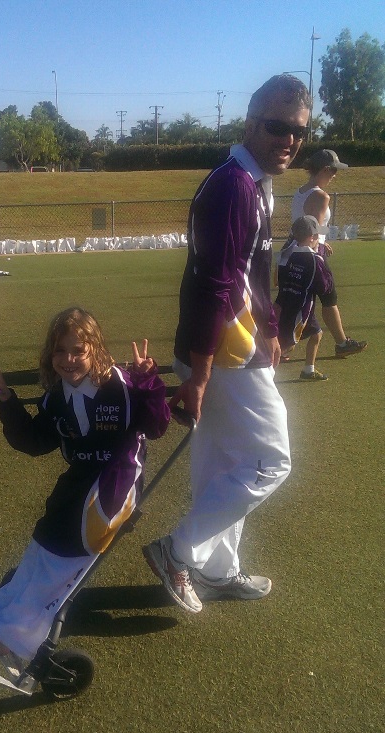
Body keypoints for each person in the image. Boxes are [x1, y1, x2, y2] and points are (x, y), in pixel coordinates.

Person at [142, 74, 308, 613]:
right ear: (250, 124)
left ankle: (219, 569)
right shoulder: (234, 187)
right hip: (222, 354)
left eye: (298, 131)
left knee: (221, 466)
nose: (289, 139)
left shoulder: (250, 183)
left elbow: (250, 272)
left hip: (230, 344)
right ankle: (180, 550)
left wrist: (271, 325)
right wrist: (200, 370)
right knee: (271, 461)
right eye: (278, 127)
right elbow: (215, 281)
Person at [0, 307, 171, 665]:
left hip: (116, 482)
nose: (68, 360)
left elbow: (157, 426)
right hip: (80, 479)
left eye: (78, 351)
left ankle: (11, 637)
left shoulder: (120, 384)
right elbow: (36, 442)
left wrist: (149, 382)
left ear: (95, 350)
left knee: (65, 554)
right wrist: (9, 406)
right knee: (43, 541)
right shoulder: (56, 397)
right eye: (59, 351)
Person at [290, 148, 367, 359]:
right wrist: (322, 240)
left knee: (297, 298)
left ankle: (285, 344)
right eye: (333, 171)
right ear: (324, 169)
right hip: (313, 253)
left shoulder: (301, 191)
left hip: (297, 249)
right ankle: (342, 343)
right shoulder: (320, 195)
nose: (335, 176)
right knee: (328, 297)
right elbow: (313, 228)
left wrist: (322, 239)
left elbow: (302, 225)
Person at [275, 215, 334, 381]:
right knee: (286, 345)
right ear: (312, 237)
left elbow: (279, 280)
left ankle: (308, 370)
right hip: (300, 309)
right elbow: (323, 287)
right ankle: (261, 375)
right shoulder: (315, 260)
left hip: (285, 303)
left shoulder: (287, 255)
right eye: (317, 236)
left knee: (316, 334)